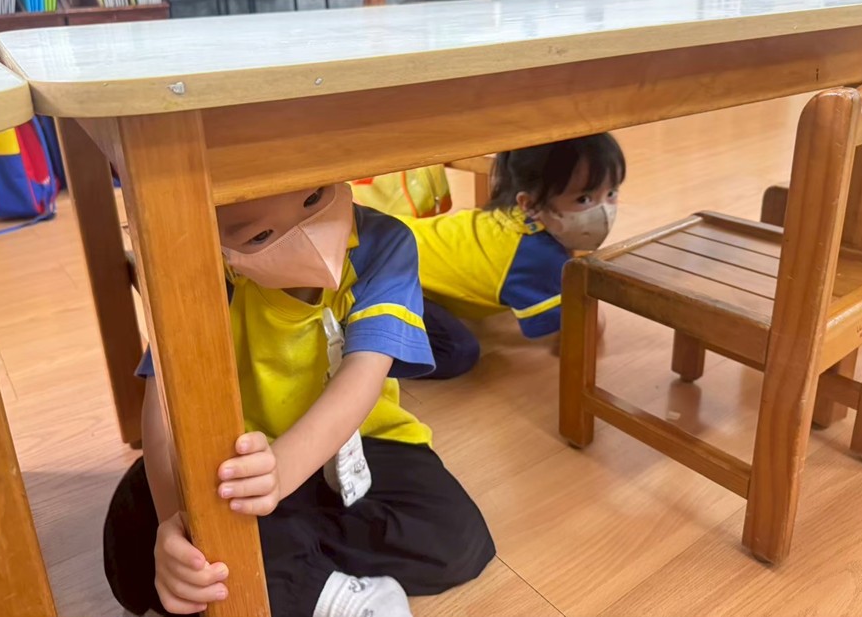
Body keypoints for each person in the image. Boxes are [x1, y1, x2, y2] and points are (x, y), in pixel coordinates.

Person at [102, 182, 494, 617]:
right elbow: (164, 403)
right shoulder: (200, 271)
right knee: (136, 547)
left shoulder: (381, 244)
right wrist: (176, 522)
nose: (309, 235)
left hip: (360, 442)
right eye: (260, 236)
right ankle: (312, 580)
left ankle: (285, 566)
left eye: (314, 198)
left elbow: (363, 375)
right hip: (240, 458)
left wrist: (282, 471)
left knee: (460, 538)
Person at [399, 134, 626, 379]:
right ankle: (370, 348)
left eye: (611, 193)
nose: (604, 211)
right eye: (584, 199)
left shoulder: (515, 218)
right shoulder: (536, 257)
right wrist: (593, 320)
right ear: (529, 203)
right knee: (456, 352)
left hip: (397, 241)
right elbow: (581, 327)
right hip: (387, 277)